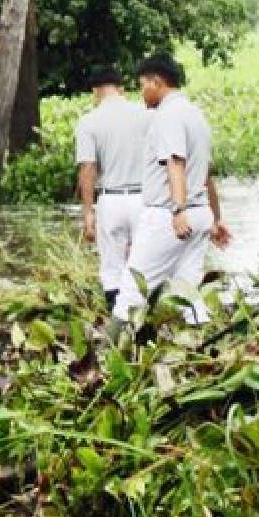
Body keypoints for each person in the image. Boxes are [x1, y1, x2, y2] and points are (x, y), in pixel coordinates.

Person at [113, 54, 231, 324]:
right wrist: (216, 217)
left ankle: (106, 359)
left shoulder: (168, 115)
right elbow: (205, 174)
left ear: (157, 81)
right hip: (200, 214)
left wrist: (178, 209)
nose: (141, 92)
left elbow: (175, 162)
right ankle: (204, 355)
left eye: (142, 84)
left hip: (171, 216)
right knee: (187, 293)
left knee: (131, 292)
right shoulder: (195, 114)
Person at [74, 67, 149, 307]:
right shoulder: (145, 114)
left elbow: (87, 168)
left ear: (95, 91)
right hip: (144, 198)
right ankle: (143, 321)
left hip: (111, 199)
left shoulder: (89, 121)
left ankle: (116, 322)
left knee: (112, 268)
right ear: (121, 89)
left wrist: (88, 212)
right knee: (144, 264)